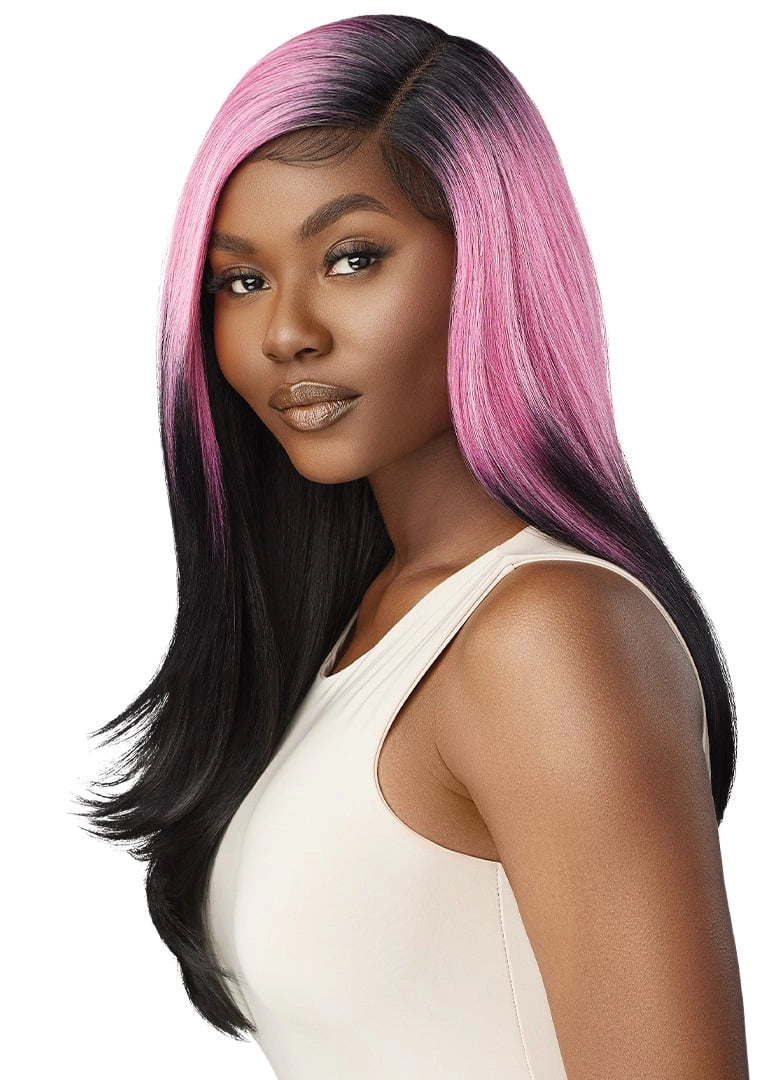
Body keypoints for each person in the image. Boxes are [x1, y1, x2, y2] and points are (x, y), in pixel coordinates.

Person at [77, 13, 748, 1077]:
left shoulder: (547, 635)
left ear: (491, 266)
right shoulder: (363, 623)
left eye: (352, 259)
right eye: (241, 280)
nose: (285, 332)